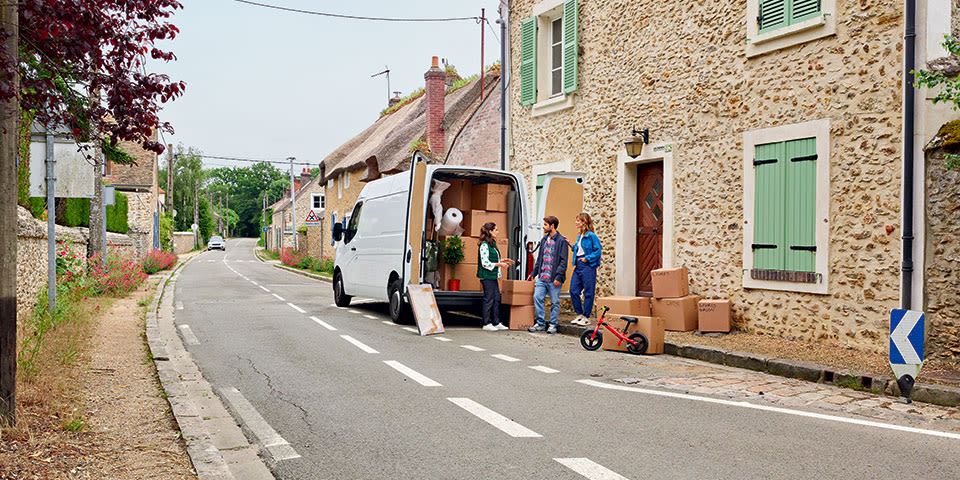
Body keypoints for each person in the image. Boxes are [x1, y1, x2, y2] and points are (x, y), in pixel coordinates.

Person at [528, 216, 569, 334]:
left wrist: (558, 277)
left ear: (552, 226)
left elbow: (563, 261)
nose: (543, 227)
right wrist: (533, 273)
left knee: (555, 302)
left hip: (554, 279)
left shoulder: (561, 241)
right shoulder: (544, 240)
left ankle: (553, 324)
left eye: (545, 225)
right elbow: (540, 259)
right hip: (542, 277)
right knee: (537, 297)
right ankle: (540, 324)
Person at [477, 222, 514, 331]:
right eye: (496, 230)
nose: (498, 232)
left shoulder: (492, 244)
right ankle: (486, 323)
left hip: (492, 276)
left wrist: (503, 260)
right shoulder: (484, 245)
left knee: (497, 298)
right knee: (489, 299)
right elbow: (485, 263)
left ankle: (496, 322)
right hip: (486, 276)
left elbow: (492, 260)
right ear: (490, 231)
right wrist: (500, 264)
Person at [569, 213, 602, 325]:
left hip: (588, 266)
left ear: (584, 222)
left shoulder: (591, 236)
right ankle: (579, 315)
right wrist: (570, 244)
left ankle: (586, 317)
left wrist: (587, 258)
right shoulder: (580, 236)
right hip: (578, 265)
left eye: (578, 221)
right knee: (573, 291)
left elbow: (598, 251)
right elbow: (578, 250)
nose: (576, 223)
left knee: (588, 292)